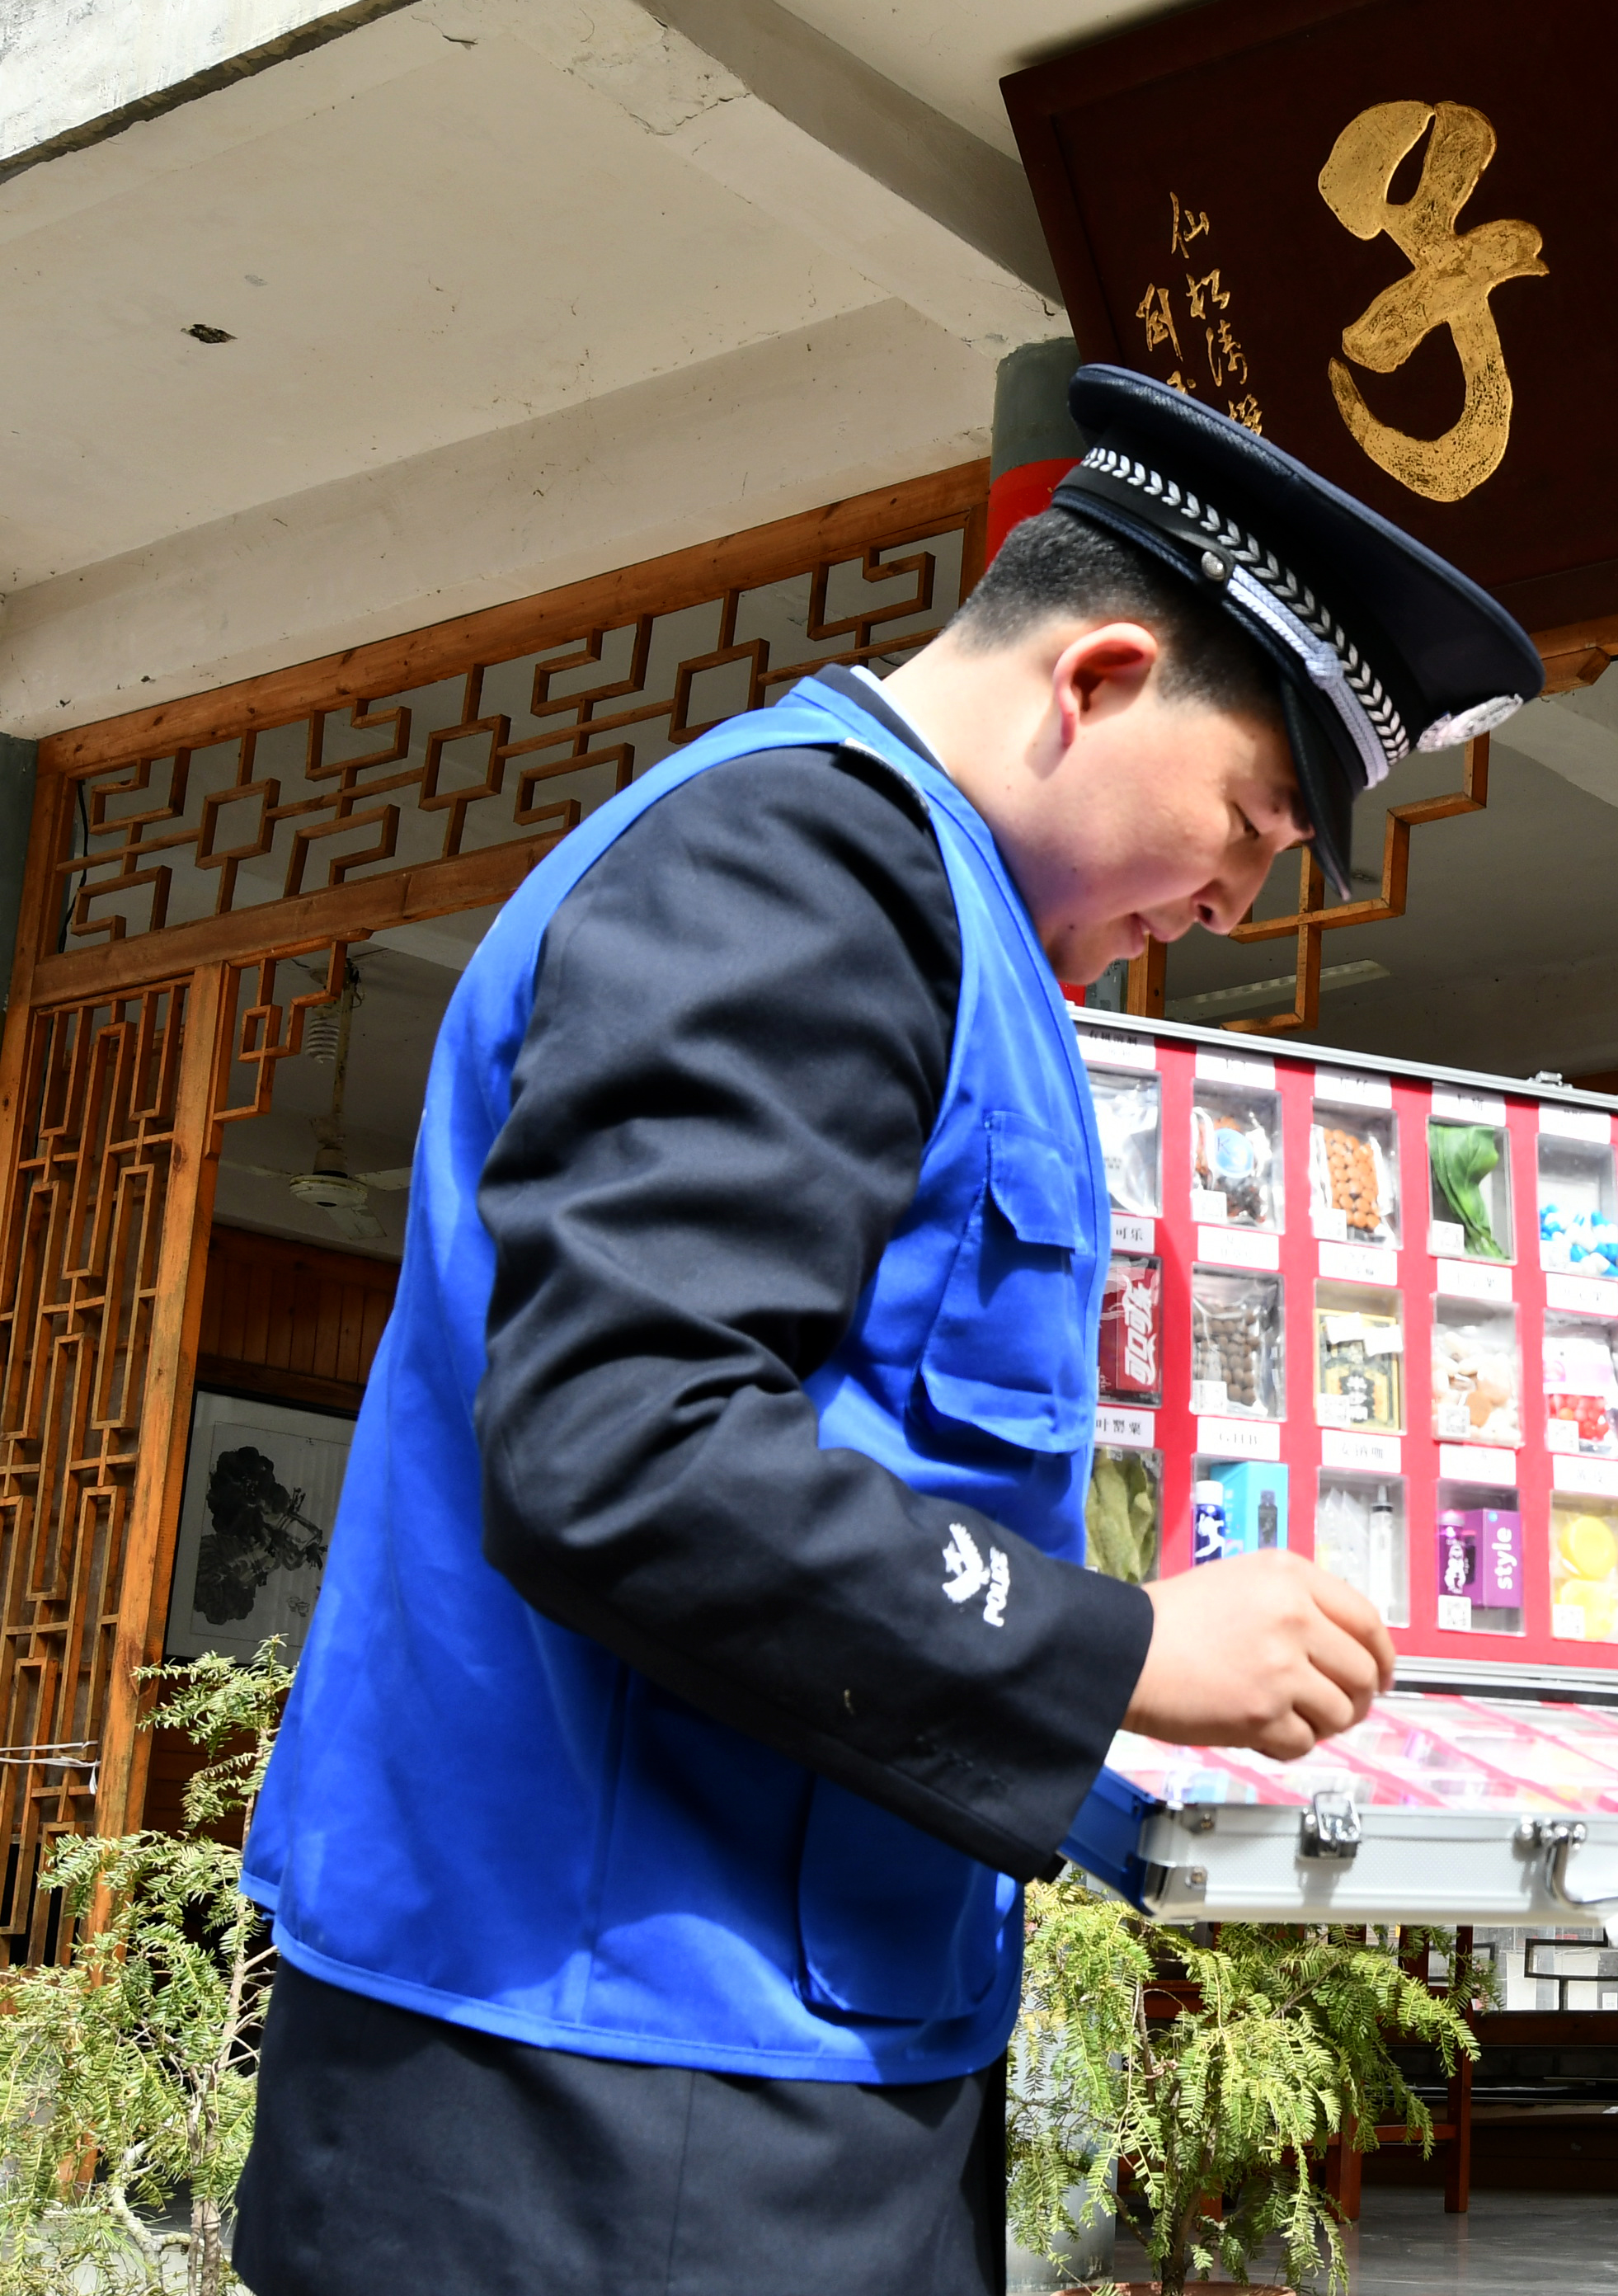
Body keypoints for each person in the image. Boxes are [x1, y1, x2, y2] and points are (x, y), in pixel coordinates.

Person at [232, 369, 1543, 2294]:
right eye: (1253, 821)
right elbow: (626, 1445)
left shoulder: (953, 934)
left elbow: (864, 1472)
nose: (1233, 902)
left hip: (777, 2025)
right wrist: (1125, 1649)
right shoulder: (801, 870)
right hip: (607, 2075)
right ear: (1097, 679)